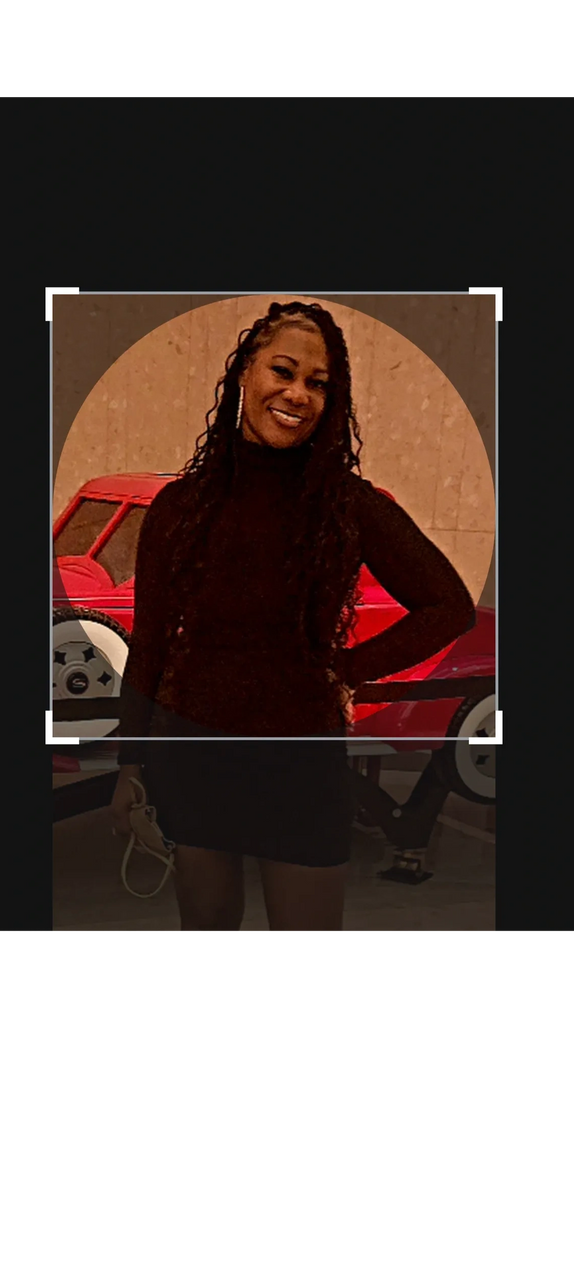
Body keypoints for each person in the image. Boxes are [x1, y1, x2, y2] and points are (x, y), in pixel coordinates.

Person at [110, 301, 475, 933]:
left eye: (318, 383)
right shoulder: (180, 506)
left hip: (299, 760)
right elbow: (148, 646)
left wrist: (346, 670)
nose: (298, 393)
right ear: (245, 374)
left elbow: (449, 606)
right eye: (283, 371)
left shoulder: (348, 506)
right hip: (192, 750)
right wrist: (130, 764)